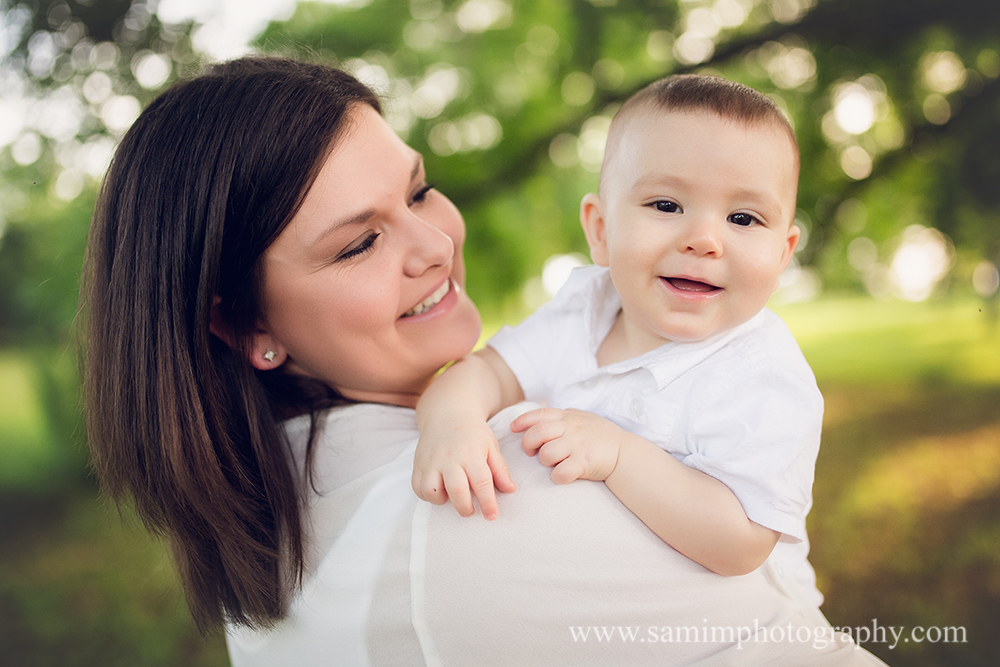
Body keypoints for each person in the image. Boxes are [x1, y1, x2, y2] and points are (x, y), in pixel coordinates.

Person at [82, 56, 887, 665]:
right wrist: (459, 415)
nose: (436, 245)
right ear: (242, 321)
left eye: (422, 189)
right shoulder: (481, 506)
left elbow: (747, 540)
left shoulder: (269, 519)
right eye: (360, 242)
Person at [413, 74, 823, 605]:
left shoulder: (764, 375)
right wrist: (452, 423)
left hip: (749, 632)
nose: (703, 240)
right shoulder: (583, 310)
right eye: (666, 205)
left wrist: (619, 454)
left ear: (783, 254)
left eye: (743, 218)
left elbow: (740, 543)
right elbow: (487, 371)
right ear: (601, 230)